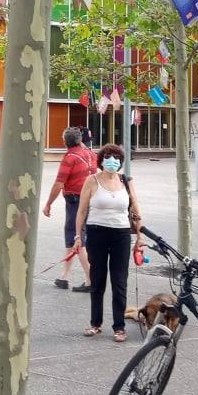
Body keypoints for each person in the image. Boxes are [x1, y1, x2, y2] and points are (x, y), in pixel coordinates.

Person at [73, 144, 143, 342]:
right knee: (98, 280)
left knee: (120, 281)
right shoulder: (92, 181)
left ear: (120, 162)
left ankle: (119, 327)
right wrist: (78, 236)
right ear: (101, 160)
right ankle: (96, 323)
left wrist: (139, 236)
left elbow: (136, 208)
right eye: (108, 157)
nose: (112, 161)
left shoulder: (126, 182)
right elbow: (81, 211)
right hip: (97, 232)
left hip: (121, 234)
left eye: (116, 158)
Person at [42, 127, 95, 292]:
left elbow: (59, 183)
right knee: (72, 238)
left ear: (65, 142)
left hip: (75, 201)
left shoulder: (70, 158)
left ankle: (90, 280)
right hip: (89, 200)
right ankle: (64, 276)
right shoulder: (91, 155)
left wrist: (48, 203)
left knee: (77, 238)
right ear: (79, 140)